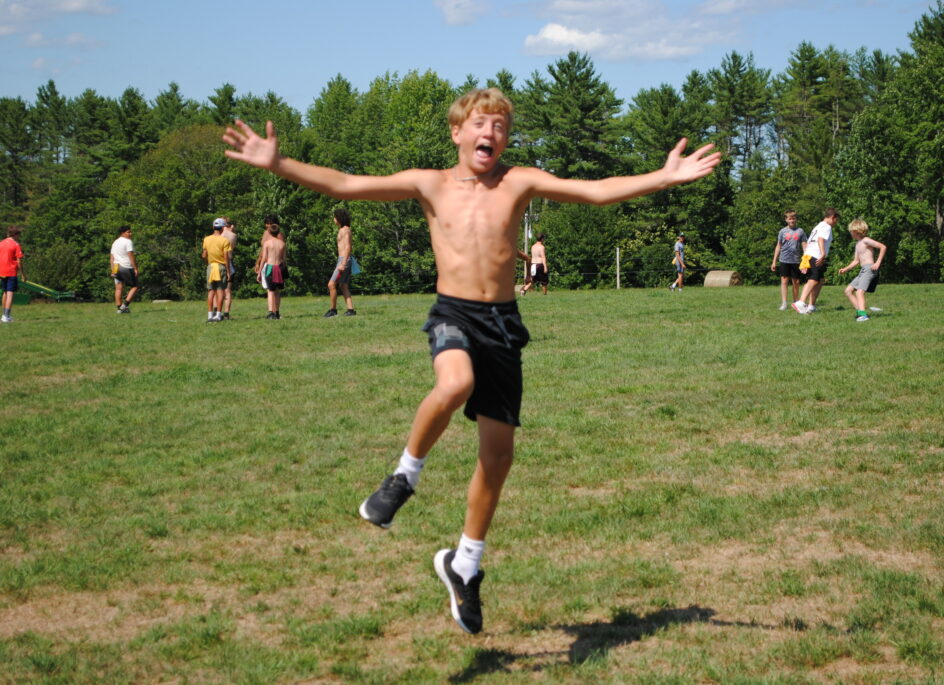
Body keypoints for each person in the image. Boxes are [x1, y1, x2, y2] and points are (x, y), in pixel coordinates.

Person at [223, 87, 720, 634]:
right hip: (454, 313)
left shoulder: (520, 181)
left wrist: (663, 176)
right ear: (457, 133)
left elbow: (597, 191)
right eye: (481, 124)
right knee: (454, 382)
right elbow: (345, 184)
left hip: (504, 323)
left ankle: (465, 565)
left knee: (498, 457)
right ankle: (403, 478)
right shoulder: (429, 184)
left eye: (501, 127)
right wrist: (280, 164)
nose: (491, 134)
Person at [838, 219, 886, 322]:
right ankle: (859, 311)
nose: (850, 233)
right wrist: (845, 269)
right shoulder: (857, 244)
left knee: (859, 292)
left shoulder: (866, 240)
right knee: (848, 291)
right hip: (863, 270)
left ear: (856, 231)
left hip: (869, 269)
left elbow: (883, 247)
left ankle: (863, 315)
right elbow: (856, 261)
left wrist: (877, 263)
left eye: (851, 231)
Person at [792, 208, 839, 314]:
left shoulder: (818, 226)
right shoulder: (826, 227)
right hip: (816, 255)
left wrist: (804, 259)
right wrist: (822, 254)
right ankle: (800, 302)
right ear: (832, 217)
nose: (836, 223)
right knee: (813, 279)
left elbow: (809, 242)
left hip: (810, 254)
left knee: (820, 280)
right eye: (836, 220)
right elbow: (820, 239)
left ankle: (811, 306)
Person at [770, 210, 806, 310]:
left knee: (796, 281)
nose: (792, 220)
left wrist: (806, 258)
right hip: (784, 259)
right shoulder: (782, 231)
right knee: (784, 281)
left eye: (793, 218)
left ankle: (796, 302)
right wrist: (774, 261)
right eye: (790, 218)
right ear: (786, 220)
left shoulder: (800, 231)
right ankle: (784, 303)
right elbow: (778, 246)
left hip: (796, 260)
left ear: (796, 219)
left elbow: (804, 244)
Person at [324, 207, 357, 317]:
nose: (333, 219)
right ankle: (351, 310)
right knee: (343, 286)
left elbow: (348, 247)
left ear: (339, 218)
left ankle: (333, 310)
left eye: (335, 217)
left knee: (331, 284)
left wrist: (343, 263)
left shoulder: (345, 230)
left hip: (344, 260)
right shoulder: (343, 230)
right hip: (342, 259)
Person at [202, 218, 233, 322]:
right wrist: (228, 271)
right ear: (223, 228)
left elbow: (204, 255)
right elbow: (226, 257)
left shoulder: (206, 239)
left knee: (211, 291)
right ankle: (218, 315)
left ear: (213, 227)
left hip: (211, 266)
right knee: (220, 291)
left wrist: (208, 263)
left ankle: (210, 315)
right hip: (221, 267)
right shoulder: (224, 241)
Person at [256, 222, 287, 319]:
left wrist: (260, 272)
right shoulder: (282, 244)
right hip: (280, 267)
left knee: (270, 291)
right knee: (278, 291)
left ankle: (271, 312)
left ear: (269, 232)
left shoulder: (267, 243)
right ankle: (277, 312)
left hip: (270, 267)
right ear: (278, 232)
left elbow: (264, 258)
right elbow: (284, 259)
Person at [110, 225, 140, 314]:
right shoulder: (128, 241)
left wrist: (113, 270)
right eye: (128, 232)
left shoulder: (115, 242)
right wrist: (135, 268)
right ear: (122, 233)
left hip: (116, 267)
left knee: (119, 288)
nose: (131, 234)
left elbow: (111, 257)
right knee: (135, 286)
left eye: (130, 232)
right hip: (126, 266)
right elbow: (130, 255)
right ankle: (125, 306)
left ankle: (119, 309)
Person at [1, 225, 25, 323]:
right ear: (15, 234)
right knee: (10, 293)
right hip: (11, 271)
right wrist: (23, 274)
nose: (19, 237)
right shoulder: (16, 244)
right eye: (19, 235)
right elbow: (19, 261)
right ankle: (6, 316)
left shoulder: (1, 243)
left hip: (1, 271)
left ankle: (4, 315)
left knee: (5, 292)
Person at [220, 218, 238, 320]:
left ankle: (216, 311)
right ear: (231, 225)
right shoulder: (233, 236)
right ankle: (226, 313)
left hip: (218, 262)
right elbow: (232, 248)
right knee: (228, 290)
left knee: (216, 289)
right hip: (229, 262)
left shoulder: (218, 235)